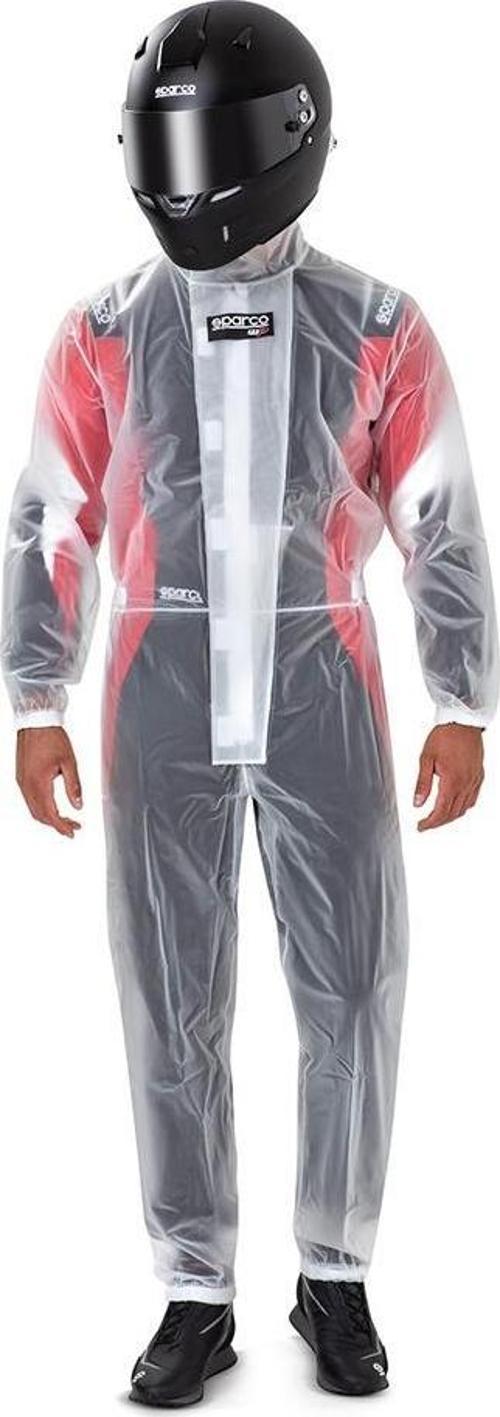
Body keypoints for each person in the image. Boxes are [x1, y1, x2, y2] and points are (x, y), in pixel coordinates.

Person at [2, 2, 498, 1405]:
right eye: (164, 151)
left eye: (209, 150)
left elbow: (438, 515)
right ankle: (194, 1291)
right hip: (154, 690)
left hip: (319, 684)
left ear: (287, 144)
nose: (186, 185)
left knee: (352, 989)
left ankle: (335, 1275)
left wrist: (463, 699)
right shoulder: (103, 330)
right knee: (169, 1000)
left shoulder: (377, 325)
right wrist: (35, 702)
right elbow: (52, 515)